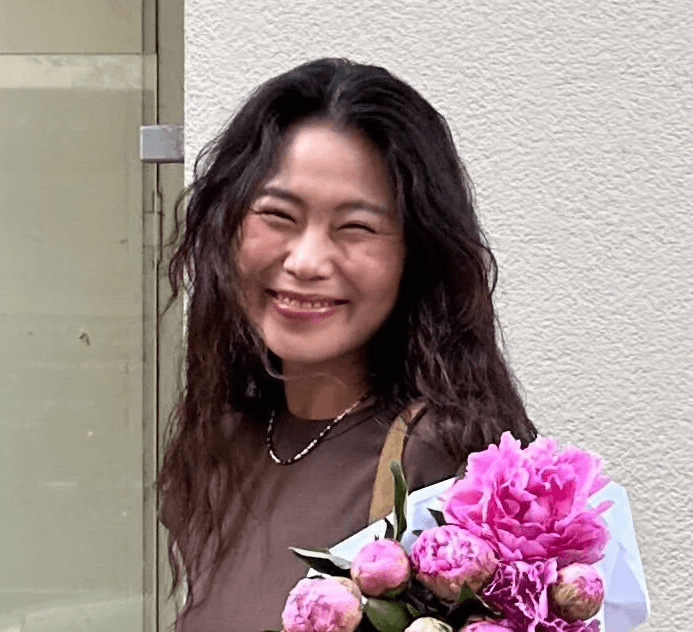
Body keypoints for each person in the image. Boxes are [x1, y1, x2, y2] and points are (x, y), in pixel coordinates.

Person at [157, 57, 538, 632]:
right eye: (277, 215)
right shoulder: (221, 445)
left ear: (416, 255)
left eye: (355, 227)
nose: (306, 261)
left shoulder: (439, 467)